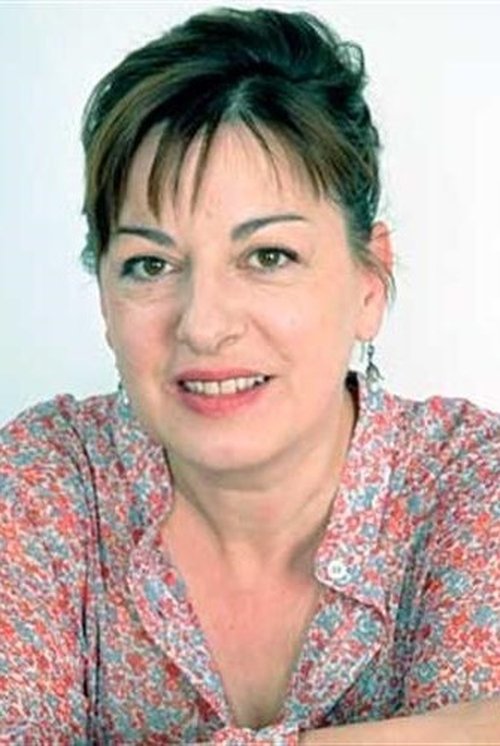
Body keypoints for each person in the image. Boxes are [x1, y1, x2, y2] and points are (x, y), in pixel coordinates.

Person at [0, 6, 498, 744]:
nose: (204, 324)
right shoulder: (49, 480)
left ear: (369, 282)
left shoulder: (470, 487)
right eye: (150, 264)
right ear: (104, 296)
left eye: (268, 256)